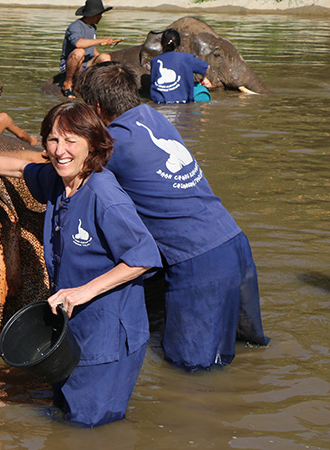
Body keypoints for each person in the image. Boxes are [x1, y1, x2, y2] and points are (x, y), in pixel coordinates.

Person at [0, 103, 161, 427]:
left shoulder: (104, 197)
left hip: (108, 336)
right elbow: (20, 168)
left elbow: (145, 256)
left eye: (71, 141)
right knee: (65, 416)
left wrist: (82, 292)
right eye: (53, 140)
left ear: (92, 144)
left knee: (89, 429)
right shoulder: (60, 182)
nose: (60, 151)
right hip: (70, 328)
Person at [74, 62, 269, 372]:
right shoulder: (154, 116)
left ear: (96, 108)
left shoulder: (112, 144)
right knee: (247, 350)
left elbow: (64, 168)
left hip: (197, 261)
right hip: (234, 242)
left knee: (191, 372)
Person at [58, 0, 122, 99]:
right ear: (93, 15)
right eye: (99, 15)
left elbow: (91, 45)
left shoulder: (93, 27)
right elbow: (78, 43)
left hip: (86, 64)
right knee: (79, 51)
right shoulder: (75, 26)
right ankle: (68, 83)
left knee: (105, 57)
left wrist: (98, 57)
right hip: (72, 64)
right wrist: (101, 40)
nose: (101, 17)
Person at [150, 29, 213, 104]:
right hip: (182, 104)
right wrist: (204, 79)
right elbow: (206, 67)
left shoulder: (154, 61)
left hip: (159, 105)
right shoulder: (187, 58)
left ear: (161, 44)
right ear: (178, 45)